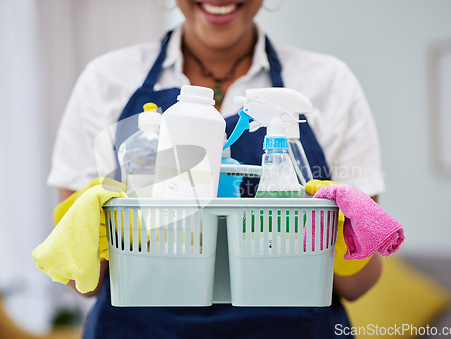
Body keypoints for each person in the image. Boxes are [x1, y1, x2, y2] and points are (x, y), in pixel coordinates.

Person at [47, 0, 384, 337]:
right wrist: (95, 234)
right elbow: (82, 280)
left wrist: (338, 234)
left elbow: (357, 285)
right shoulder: (107, 80)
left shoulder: (328, 83)